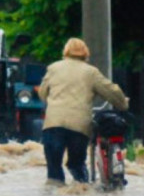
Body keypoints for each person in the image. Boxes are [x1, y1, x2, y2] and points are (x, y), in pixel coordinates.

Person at [36, 37, 129, 185]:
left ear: (65, 51)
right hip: (79, 127)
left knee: (54, 172)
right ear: (85, 53)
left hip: (53, 124)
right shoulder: (91, 72)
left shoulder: (53, 68)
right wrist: (123, 103)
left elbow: (42, 93)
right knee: (77, 166)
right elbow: (111, 91)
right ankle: (82, 193)